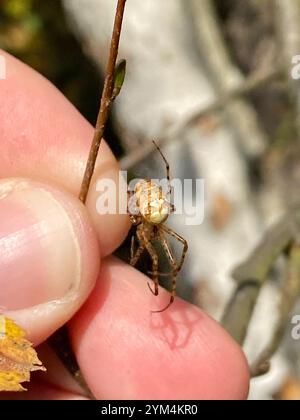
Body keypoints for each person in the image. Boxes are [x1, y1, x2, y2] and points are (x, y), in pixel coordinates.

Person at [0, 50, 249, 400]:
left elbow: (159, 227)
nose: (146, 243)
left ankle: (164, 287)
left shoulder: (151, 224)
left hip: (149, 210)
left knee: (161, 248)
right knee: (147, 247)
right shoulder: (144, 215)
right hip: (147, 207)